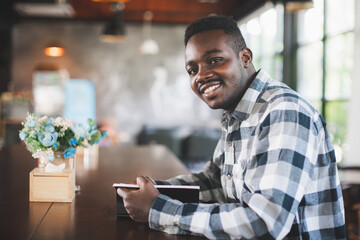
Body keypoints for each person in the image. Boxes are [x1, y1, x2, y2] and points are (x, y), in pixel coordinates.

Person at [117, 15, 346, 239]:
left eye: (214, 60)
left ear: (245, 57)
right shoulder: (236, 114)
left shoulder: (284, 111)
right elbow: (214, 182)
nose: (201, 76)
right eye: (192, 70)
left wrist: (160, 209)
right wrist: (154, 191)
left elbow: (265, 222)